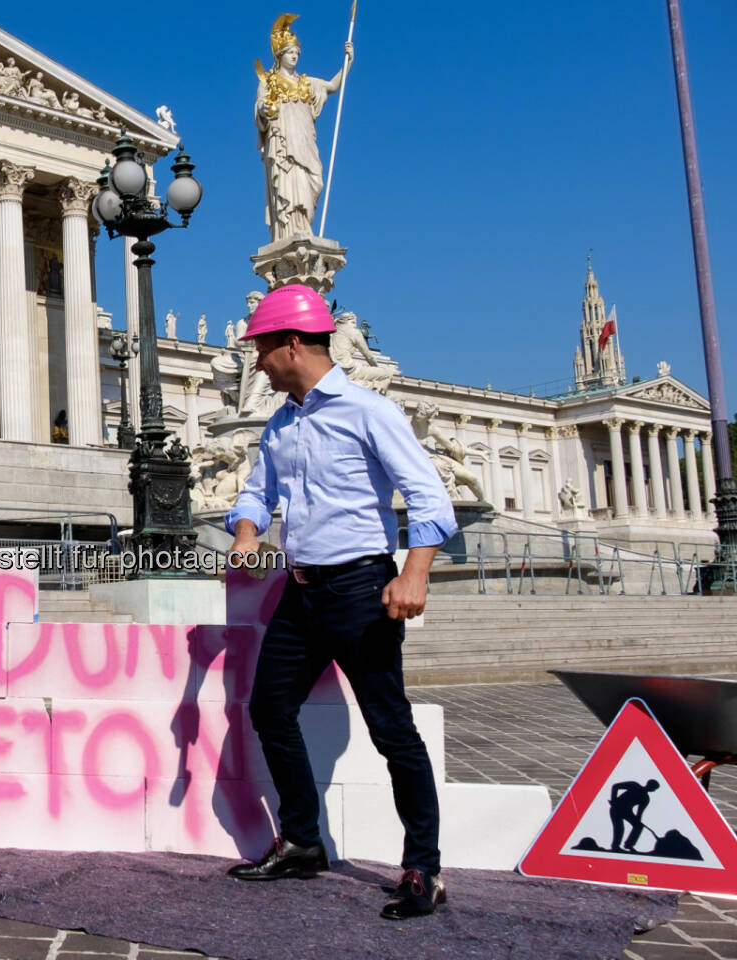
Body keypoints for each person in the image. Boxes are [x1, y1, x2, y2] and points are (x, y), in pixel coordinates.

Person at [223, 284, 457, 920]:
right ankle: (302, 841)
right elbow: (254, 494)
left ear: (292, 344)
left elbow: (431, 499)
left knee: (391, 730)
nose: (257, 364)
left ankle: (424, 868)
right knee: (270, 708)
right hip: (300, 593)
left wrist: (415, 574)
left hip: (360, 588)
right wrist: (247, 531)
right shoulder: (281, 423)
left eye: (262, 350)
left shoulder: (369, 412)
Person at [253, 15, 352, 242]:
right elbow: (260, 106)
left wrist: (347, 61)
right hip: (283, 144)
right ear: (280, 55)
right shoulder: (269, 82)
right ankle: (288, 230)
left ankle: (305, 225)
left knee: (314, 179)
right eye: (291, 52)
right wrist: (265, 109)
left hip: (305, 142)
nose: (295, 55)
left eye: (297, 52)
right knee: (288, 183)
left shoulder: (306, 83)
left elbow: (333, 86)